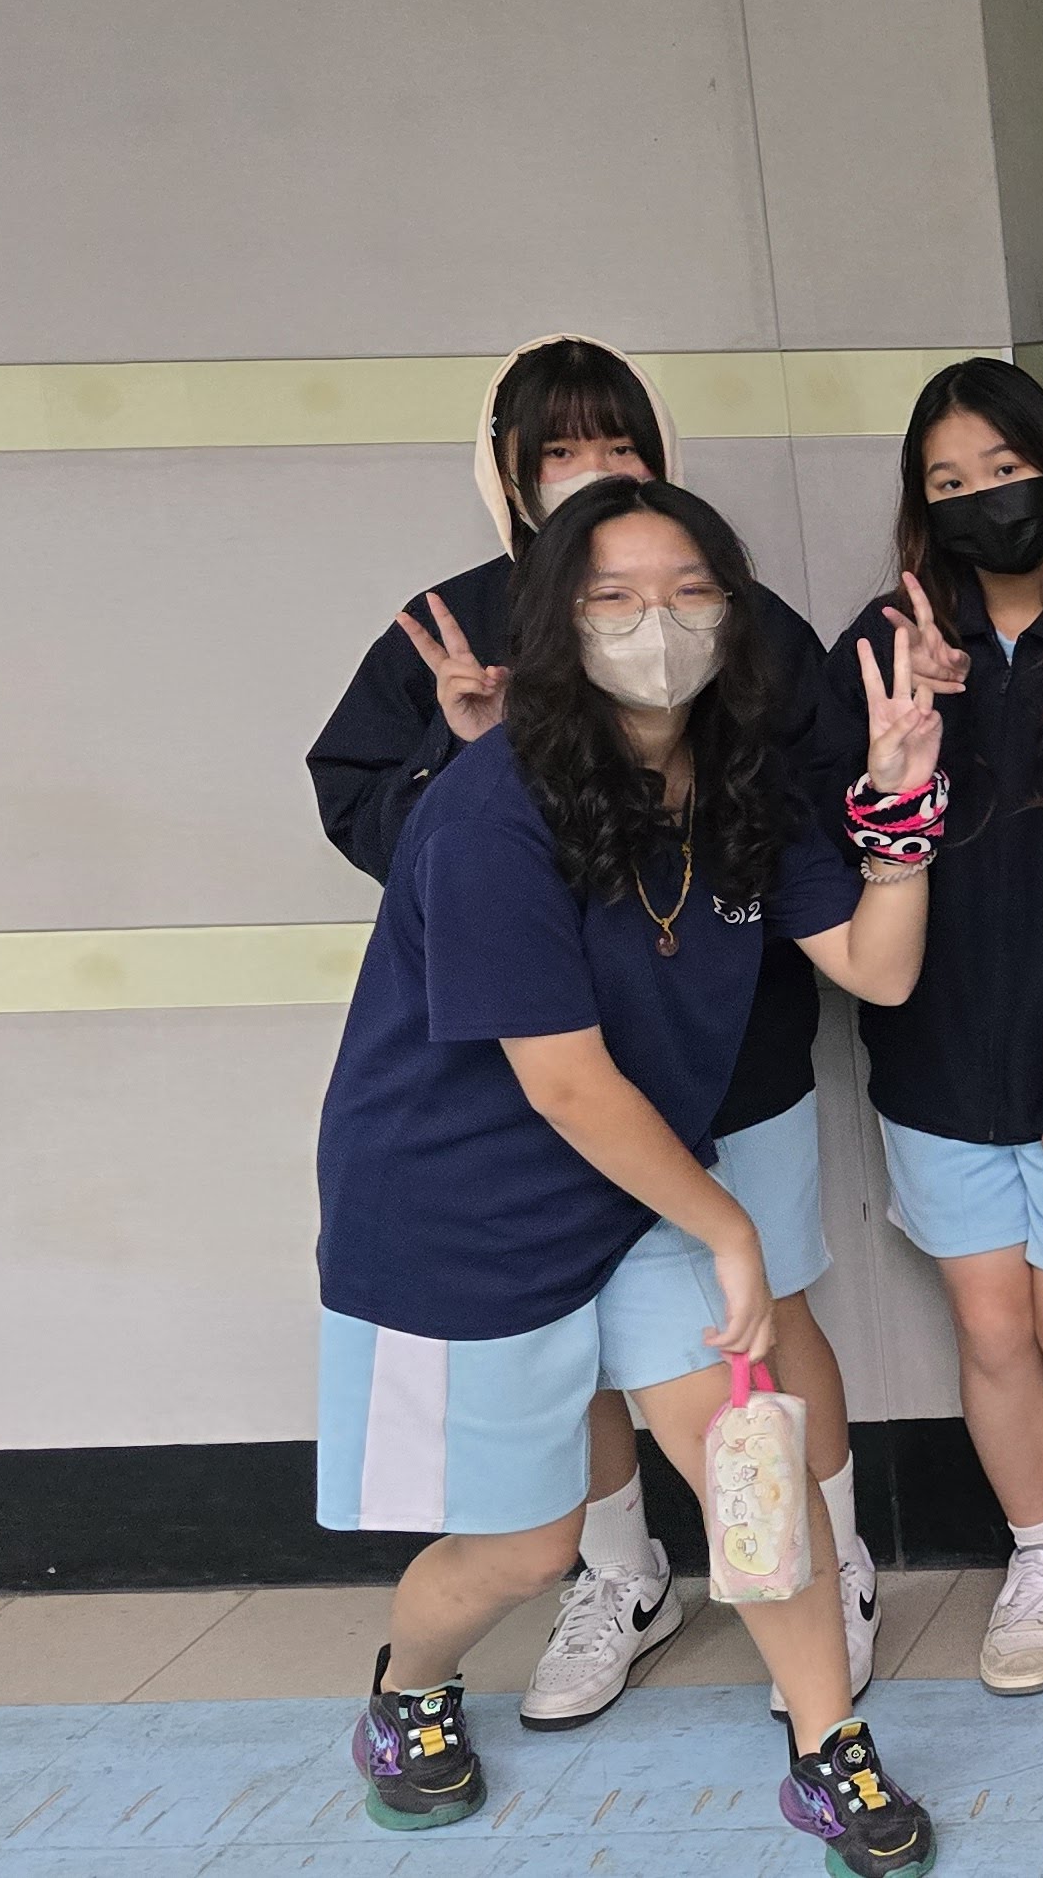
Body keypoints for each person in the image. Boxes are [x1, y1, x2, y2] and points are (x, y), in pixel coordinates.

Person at [312, 478, 942, 1876]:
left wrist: (901, 807)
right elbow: (563, 1080)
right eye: (614, 597)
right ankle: (409, 1688)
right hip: (462, 1208)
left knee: (750, 1470)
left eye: (689, 590)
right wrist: (730, 1230)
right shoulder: (489, 814)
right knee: (531, 1547)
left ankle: (827, 1749)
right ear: (556, 622)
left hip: (637, 1188)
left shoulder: (738, 783)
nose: (658, 623)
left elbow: (878, 967)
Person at [825, 360, 1043, 1697]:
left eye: (1006, 470)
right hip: (943, 1056)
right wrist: (920, 734)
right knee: (992, 1329)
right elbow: (841, 840)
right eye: (948, 482)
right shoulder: (887, 642)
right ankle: (1042, 1548)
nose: (982, 498)